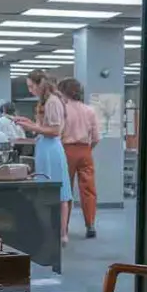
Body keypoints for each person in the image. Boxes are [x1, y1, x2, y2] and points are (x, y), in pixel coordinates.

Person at [15, 70, 73, 246]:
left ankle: (61, 233)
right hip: (44, 148)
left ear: (40, 84)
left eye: (31, 86)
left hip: (51, 149)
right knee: (46, 193)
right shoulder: (46, 101)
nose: (30, 90)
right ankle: (51, 233)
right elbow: (44, 127)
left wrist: (34, 128)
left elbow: (55, 131)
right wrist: (29, 123)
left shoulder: (53, 102)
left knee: (60, 193)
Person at [57, 77, 100, 239]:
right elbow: (96, 138)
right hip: (85, 150)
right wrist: (87, 149)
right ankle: (90, 224)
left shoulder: (62, 109)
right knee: (88, 189)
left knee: (65, 190)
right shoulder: (89, 110)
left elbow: (57, 132)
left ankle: (64, 226)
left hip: (66, 150)